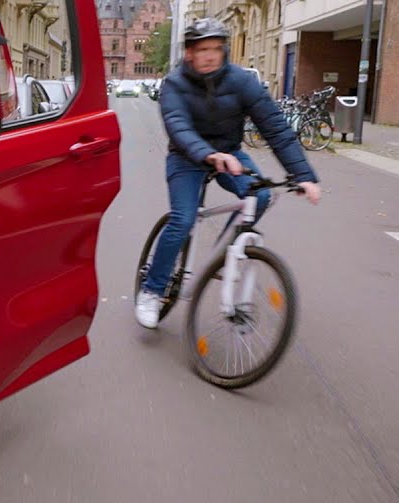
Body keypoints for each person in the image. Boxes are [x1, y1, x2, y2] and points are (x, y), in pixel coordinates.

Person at [135, 18, 322, 329]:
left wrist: (303, 175)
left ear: (224, 51)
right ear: (189, 53)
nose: (210, 56)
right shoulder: (175, 84)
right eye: (202, 50)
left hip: (230, 154)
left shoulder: (242, 82)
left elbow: (275, 128)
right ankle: (152, 290)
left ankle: (225, 252)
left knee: (261, 195)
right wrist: (209, 154)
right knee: (183, 219)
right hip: (186, 157)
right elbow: (178, 126)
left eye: (216, 49)